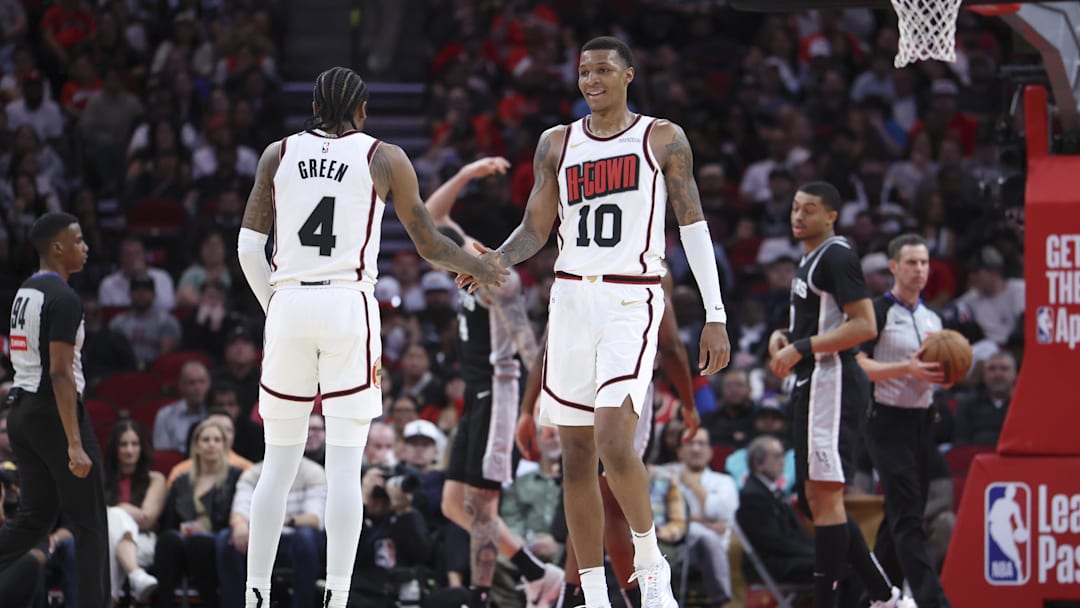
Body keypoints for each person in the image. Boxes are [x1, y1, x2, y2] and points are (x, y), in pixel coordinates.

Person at [461, 36, 731, 608]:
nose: (591, 80)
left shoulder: (661, 137)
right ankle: (594, 593)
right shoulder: (556, 143)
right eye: (584, 72)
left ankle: (651, 566)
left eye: (604, 70)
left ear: (629, 75)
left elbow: (694, 224)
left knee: (614, 440)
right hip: (570, 301)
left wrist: (714, 313)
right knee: (577, 458)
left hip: (632, 299)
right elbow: (536, 226)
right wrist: (497, 261)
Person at [235, 65, 505, 608]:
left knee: (277, 465)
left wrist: (278, 308)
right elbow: (428, 240)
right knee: (343, 465)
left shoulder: (277, 154)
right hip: (346, 305)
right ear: (362, 110)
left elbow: (247, 249)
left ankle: (256, 595)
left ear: (313, 106)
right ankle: (337, 596)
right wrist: (478, 265)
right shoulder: (382, 156)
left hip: (288, 300)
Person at [424, 157, 563, 608]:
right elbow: (431, 215)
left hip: (499, 396)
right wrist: (465, 175)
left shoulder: (498, 281)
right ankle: (538, 575)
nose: (467, 243)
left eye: (477, 242)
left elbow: (529, 347)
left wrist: (539, 408)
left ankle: (482, 596)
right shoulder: (469, 257)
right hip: (477, 395)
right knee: (452, 503)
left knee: (481, 506)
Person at [767, 182, 906, 608]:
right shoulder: (810, 258)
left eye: (809, 209)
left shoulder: (838, 256)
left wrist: (800, 347)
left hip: (833, 381)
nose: (798, 216)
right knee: (815, 503)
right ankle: (885, 597)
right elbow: (823, 323)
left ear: (831, 216)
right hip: (813, 380)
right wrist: (788, 337)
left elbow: (863, 325)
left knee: (825, 499)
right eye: (794, 208)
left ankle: (850, 601)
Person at [0, 211, 110, 606]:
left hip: (21, 412)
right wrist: (74, 443)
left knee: (34, 518)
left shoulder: (26, 290)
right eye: (78, 240)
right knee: (91, 524)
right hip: (54, 413)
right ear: (57, 247)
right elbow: (61, 374)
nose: (86, 247)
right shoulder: (65, 298)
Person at [855, 234, 951, 608]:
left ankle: (869, 598)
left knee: (899, 520)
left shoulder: (932, 318)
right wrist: (905, 368)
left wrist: (946, 374)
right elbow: (859, 365)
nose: (920, 270)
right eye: (912, 262)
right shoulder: (876, 311)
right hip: (886, 421)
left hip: (923, 421)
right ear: (894, 267)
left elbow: (937, 371)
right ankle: (933, 601)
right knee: (909, 517)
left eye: (925, 263)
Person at [153, 419, 243, 608]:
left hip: (220, 542)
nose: (211, 444)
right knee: (168, 540)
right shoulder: (181, 481)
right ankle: (165, 602)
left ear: (225, 445)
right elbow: (169, 523)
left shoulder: (236, 477)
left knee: (199, 542)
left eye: (217, 440)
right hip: (184, 543)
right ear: (196, 445)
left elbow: (237, 516)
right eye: (205, 439)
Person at [736, 436, 815, 587]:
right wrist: (813, 554)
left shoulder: (772, 491)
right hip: (773, 564)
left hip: (788, 557)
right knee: (837, 568)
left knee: (839, 564)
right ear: (758, 464)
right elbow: (773, 541)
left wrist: (815, 551)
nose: (783, 461)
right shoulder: (752, 496)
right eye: (777, 456)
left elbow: (797, 531)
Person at [103, 420, 164, 603]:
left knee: (113, 522)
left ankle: (110, 599)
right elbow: (92, 517)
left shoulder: (155, 479)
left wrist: (115, 510)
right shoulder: (101, 479)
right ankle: (136, 575)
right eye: (123, 444)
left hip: (144, 541)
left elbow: (146, 519)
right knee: (110, 537)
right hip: (104, 539)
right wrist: (128, 510)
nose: (129, 450)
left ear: (142, 447)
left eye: (134, 444)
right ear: (115, 448)